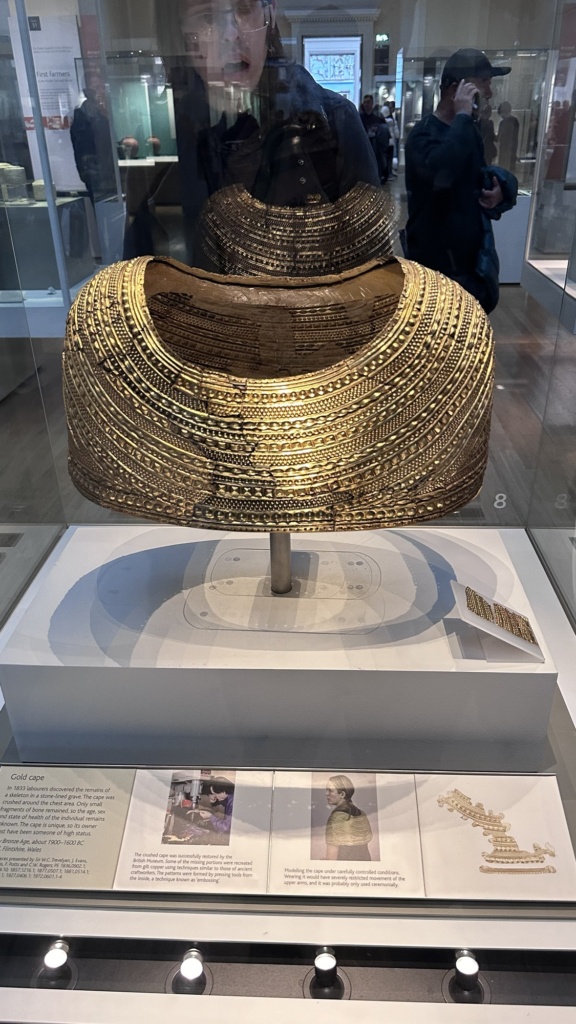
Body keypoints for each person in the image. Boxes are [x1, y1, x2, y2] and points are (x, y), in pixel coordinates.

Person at [124, 0, 379, 263]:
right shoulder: (169, 137)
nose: (231, 34)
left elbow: (373, 273)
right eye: (208, 16)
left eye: (245, 7)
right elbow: (139, 275)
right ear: (180, 34)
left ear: (268, 14)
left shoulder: (334, 122)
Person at [404, 48, 518, 313]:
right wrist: (464, 116)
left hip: (468, 260)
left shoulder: (469, 130)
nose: (489, 93)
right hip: (438, 265)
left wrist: (499, 190)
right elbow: (441, 174)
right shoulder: (423, 135)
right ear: (457, 89)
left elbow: (474, 176)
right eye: (484, 83)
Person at [324, 774, 373, 861]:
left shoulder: (336, 818)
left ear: (342, 794)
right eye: (326, 790)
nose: (326, 794)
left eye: (330, 790)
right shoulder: (362, 814)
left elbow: (331, 857)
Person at [359, 93, 390, 183]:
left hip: (377, 150)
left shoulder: (378, 118)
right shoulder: (360, 118)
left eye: (368, 102)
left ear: (372, 103)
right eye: (365, 102)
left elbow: (385, 132)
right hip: (364, 150)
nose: (366, 104)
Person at [496, 101, 519, 174]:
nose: (501, 116)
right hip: (505, 149)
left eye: (501, 113)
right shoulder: (504, 122)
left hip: (509, 149)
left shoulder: (512, 121)